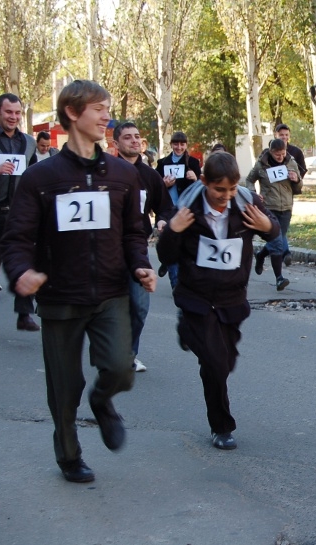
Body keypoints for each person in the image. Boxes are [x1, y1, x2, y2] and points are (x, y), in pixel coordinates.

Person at [0, 80, 156, 483]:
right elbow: (16, 237)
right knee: (63, 389)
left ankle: (102, 401)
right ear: (73, 113)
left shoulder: (123, 174)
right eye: (98, 109)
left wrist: (139, 264)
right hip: (60, 299)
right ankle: (69, 456)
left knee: (121, 369)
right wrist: (21, 272)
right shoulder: (41, 177)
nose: (107, 116)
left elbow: (134, 232)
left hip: (110, 294)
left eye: (107, 109)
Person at [156, 151, 280, 450]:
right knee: (213, 362)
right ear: (204, 182)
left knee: (224, 362)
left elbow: (274, 230)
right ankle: (222, 427)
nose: (225, 196)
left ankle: (188, 331)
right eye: (218, 190)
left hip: (231, 299)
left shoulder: (246, 203)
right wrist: (173, 231)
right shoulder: (187, 207)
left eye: (231, 189)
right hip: (195, 298)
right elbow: (165, 255)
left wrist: (267, 227)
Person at [114, 121, 176, 372]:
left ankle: (128, 354)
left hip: (136, 247)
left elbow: (165, 206)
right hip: (107, 248)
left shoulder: (149, 175)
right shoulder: (106, 172)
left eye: (137, 136)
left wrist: (162, 219)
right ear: (116, 143)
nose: (134, 141)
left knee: (139, 306)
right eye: (127, 137)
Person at [0, 92, 39, 331]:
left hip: (20, 210)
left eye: (17, 113)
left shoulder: (29, 142)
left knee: (26, 259)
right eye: (8, 112)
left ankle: (24, 313)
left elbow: (37, 172)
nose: (13, 117)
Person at [246, 138, 302, 290]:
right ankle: (279, 278)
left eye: (283, 153)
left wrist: (296, 179)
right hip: (269, 207)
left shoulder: (291, 162)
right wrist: (254, 194)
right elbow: (249, 180)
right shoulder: (261, 165)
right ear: (271, 152)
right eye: (277, 154)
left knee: (278, 237)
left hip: (287, 207)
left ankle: (261, 255)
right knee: (277, 240)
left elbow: (299, 184)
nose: (280, 157)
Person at [155, 131, 201, 288]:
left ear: (186, 145)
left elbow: (201, 188)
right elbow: (155, 186)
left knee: (184, 244)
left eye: (182, 144)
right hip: (167, 210)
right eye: (176, 144)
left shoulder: (193, 163)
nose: (179, 147)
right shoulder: (162, 163)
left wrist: (195, 178)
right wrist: (164, 184)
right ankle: (176, 284)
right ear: (171, 145)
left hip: (186, 210)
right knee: (170, 240)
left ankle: (172, 266)